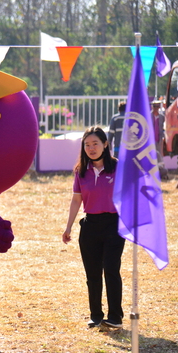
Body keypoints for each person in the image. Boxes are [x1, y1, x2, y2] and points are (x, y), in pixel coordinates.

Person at [62, 126, 125, 329]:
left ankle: (115, 317)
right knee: (93, 273)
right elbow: (76, 200)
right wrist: (68, 227)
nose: (91, 148)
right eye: (87, 145)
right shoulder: (80, 171)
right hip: (90, 226)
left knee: (111, 269)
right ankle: (96, 315)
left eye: (95, 143)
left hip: (114, 225)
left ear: (105, 144)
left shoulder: (118, 167)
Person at [151, 100, 169, 180]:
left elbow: (163, 128)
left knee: (160, 156)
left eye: (158, 106)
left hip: (159, 139)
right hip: (151, 140)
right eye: (154, 106)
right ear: (152, 107)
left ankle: (161, 172)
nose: (156, 108)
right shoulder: (149, 116)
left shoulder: (162, 117)